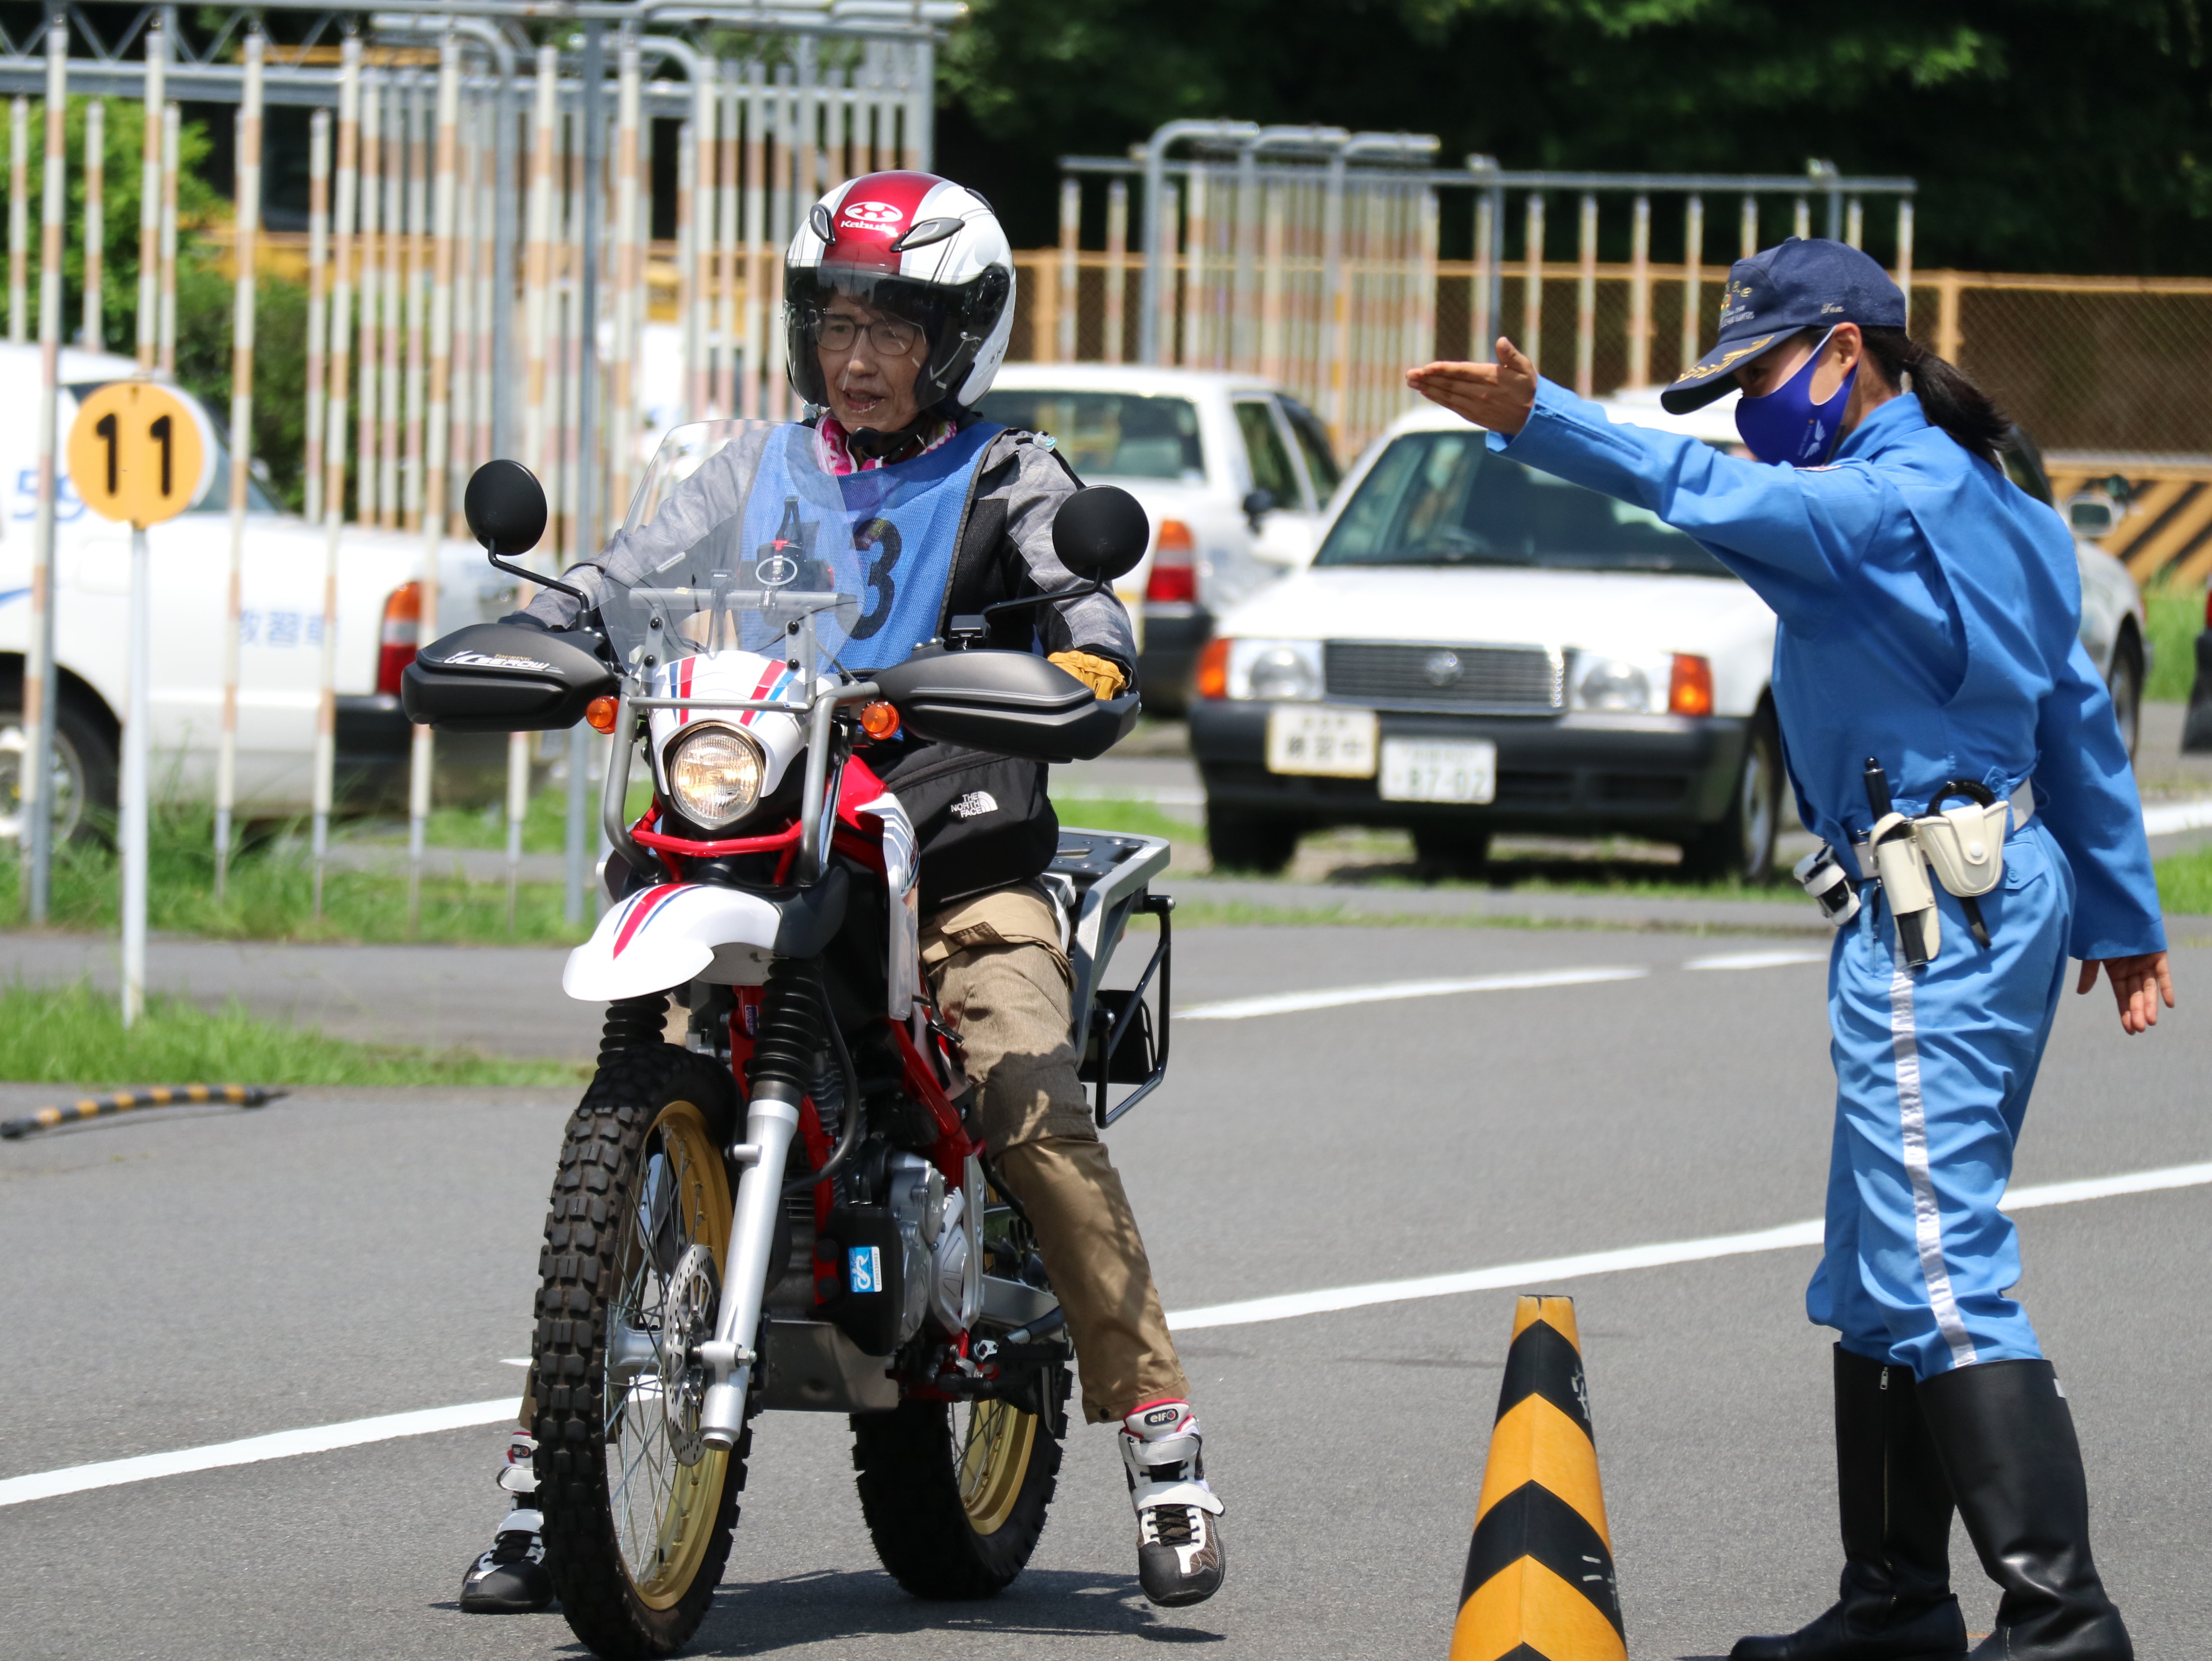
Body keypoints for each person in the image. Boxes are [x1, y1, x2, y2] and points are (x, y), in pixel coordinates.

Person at [458, 170, 1224, 1616]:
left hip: (948, 863)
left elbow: (1088, 614)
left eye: (894, 330)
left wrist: (1090, 661)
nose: (858, 358)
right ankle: (550, 1478)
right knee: (628, 1106)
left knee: (1024, 1091)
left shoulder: (1013, 478)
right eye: (837, 323)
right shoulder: (744, 471)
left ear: (960, 341)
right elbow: (621, 581)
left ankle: (1163, 1440)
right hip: (759, 833)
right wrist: (544, 619)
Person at [1409, 238, 2169, 1661]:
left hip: (1937, 909)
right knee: (1888, 1260)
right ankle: (1896, 1605)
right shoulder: (1994, 496)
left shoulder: (1875, 503)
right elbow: (2075, 707)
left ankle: (2066, 1622)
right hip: (2002, 886)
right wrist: (2124, 916)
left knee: (1939, 1264)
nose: (1750, 402)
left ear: (1844, 352)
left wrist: (1541, 419)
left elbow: (1706, 488)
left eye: (1761, 371)